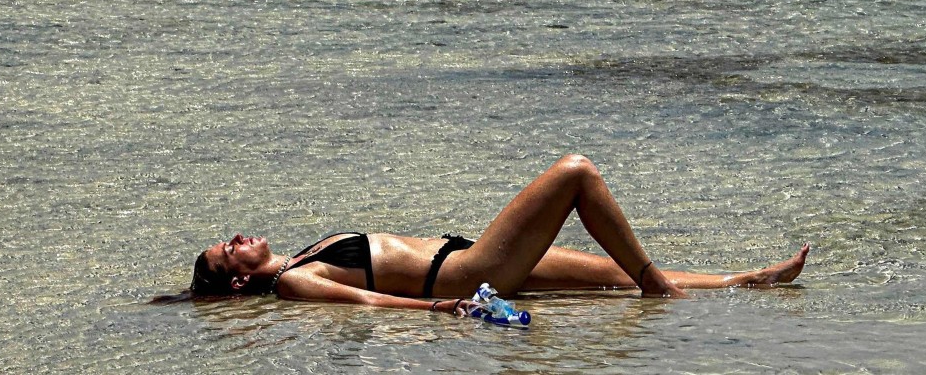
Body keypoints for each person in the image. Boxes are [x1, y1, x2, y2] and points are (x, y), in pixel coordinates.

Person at [190, 155, 810, 315]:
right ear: (240, 277)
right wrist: (442, 307)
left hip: (466, 260)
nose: (238, 237)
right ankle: (661, 292)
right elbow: (369, 302)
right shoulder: (296, 281)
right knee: (575, 173)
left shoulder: (301, 258)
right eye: (229, 248)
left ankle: (746, 280)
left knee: (618, 277)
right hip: (467, 273)